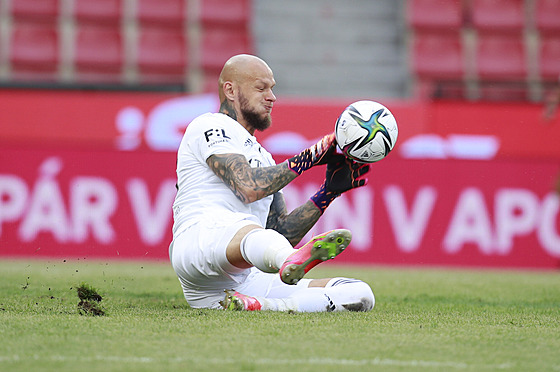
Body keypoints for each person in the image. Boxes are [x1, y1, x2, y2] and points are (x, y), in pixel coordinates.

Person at [169, 54, 374, 312]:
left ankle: (261, 305)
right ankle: (289, 261)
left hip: (236, 282)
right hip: (198, 244)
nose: (272, 96)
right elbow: (248, 187)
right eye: (261, 87)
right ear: (230, 90)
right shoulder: (209, 125)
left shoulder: (264, 157)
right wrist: (311, 156)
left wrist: (328, 193)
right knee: (250, 232)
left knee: (360, 295)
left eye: (272, 88)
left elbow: (280, 233)